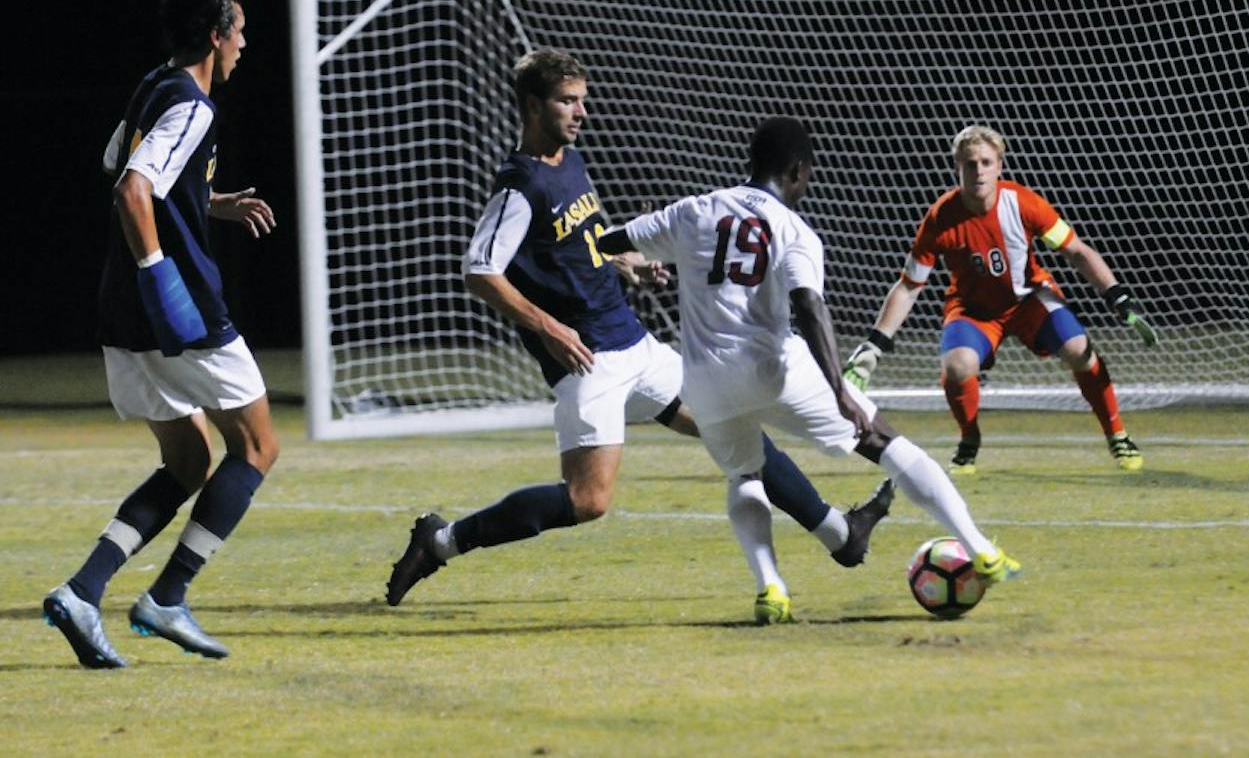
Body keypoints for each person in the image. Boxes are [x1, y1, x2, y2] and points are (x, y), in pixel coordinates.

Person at [385, 51, 892, 606]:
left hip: (637, 345)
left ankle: (840, 536)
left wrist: (630, 265)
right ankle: (439, 542)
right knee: (588, 501)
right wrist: (551, 328)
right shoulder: (519, 186)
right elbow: (480, 272)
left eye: (582, 100)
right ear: (533, 106)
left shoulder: (569, 163)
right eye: (567, 101)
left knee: (733, 426)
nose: (581, 112)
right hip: (587, 360)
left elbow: (584, 240)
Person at [598, 117, 1020, 624]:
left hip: (706, 381)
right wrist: (839, 388)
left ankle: (771, 589)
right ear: (798, 170)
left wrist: (635, 262)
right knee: (886, 442)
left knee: (745, 475)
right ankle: (980, 548)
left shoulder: (694, 210)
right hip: (775, 368)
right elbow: (809, 305)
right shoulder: (794, 229)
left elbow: (609, 240)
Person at [44, 0, 279, 668]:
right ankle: (168, 597)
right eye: (239, 30)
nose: (245, 43)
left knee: (187, 459)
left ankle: (84, 593)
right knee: (258, 447)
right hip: (175, 306)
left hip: (120, 312)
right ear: (216, 35)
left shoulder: (153, 83)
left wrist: (209, 202)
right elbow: (134, 187)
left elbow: (119, 158)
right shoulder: (193, 104)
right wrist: (161, 276)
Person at [842, 124, 1158, 474]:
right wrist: (875, 344)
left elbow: (1076, 250)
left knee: (1079, 348)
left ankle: (1118, 434)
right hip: (973, 311)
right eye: (970, 163)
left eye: (986, 162)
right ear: (957, 168)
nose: (979, 170)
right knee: (957, 366)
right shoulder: (940, 217)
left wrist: (1117, 295)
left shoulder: (1023, 203)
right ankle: (969, 439)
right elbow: (909, 285)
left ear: (1000, 166)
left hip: (1028, 300)